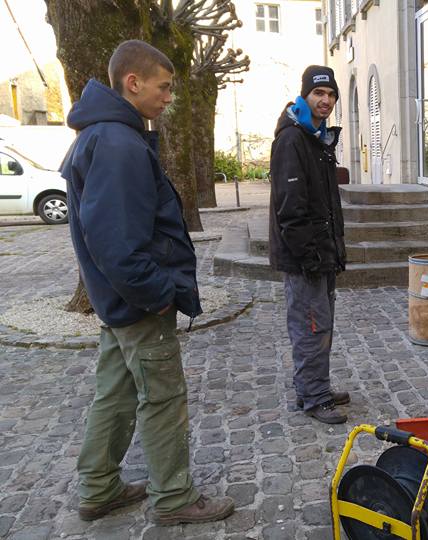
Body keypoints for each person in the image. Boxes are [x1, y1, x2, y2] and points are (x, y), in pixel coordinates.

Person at [60, 40, 234, 525]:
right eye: (164, 87)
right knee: (162, 398)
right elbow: (115, 243)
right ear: (132, 83)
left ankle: (99, 487)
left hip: (117, 304)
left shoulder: (102, 136)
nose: (169, 97)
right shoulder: (116, 143)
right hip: (137, 304)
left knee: (114, 393)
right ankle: (174, 498)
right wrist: (159, 296)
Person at [269, 65, 350, 424]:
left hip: (322, 253)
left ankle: (314, 387)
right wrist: (310, 256)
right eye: (319, 94)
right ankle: (314, 397)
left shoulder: (315, 137)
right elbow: (290, 209)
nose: (326, 100)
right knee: (311, 326)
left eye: (331, 95)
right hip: (306, 258)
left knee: (320, 324)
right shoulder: (292, 140)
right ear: (305, 96)